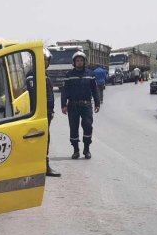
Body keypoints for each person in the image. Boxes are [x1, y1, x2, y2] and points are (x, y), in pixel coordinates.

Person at [25, 48, 61, 177]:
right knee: (40, 140)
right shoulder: (32, 75)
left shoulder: (44, 74)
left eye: (46, 60)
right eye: (42, 60)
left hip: (46, 113)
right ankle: (40, 167)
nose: (44, 62)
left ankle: (44, 165)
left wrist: (50, 110)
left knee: (45, 139)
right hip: (38, 114)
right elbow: (35, 97)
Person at [61, 51, 100, 159]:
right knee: (73, 128)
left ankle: (86, 149)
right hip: (72, 106)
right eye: (77, 60)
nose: (79, 62)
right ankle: (76, 150)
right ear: (74, 62)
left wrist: (97, 103)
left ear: (84, 61)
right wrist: (63, 105)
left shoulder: (90, 74)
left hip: (86, 106)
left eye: (81, 60)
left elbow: (95, 90)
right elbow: (64, 91)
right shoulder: (69, 75)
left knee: (88, 126)